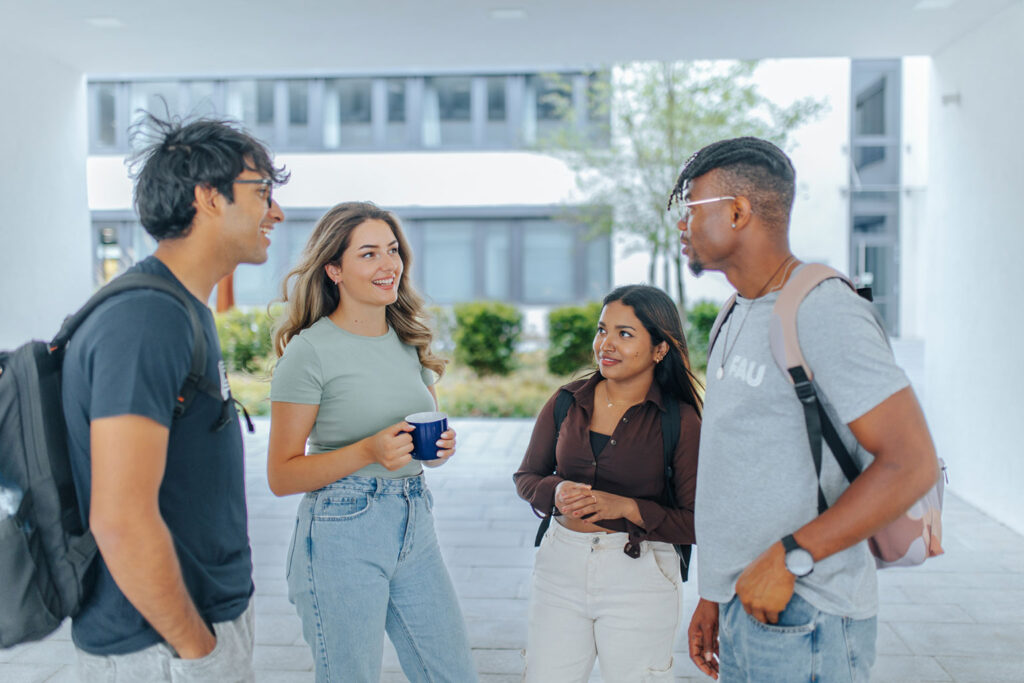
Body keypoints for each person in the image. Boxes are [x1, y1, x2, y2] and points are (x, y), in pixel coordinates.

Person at [671, 137, 938, 682]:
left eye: (690, 207)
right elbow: (737, 468)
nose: (681, 224)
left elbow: (911, 462)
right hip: (748, 604)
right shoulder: (734, 312)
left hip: (806, 610)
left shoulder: (822, 309)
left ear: (738, 212)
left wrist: (789, 557)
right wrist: (714, 592)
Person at [63, 113, 288, 680]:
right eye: (262, 192)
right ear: (209, 197)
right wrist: (197, 651)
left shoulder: (181, 309)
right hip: (161, 643)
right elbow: (120, 518)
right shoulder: (145, 320)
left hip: (195, 624)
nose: (276, 212)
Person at [267, 201, 477, 683]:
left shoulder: (407, 340)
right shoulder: (309, 352)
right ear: (334, 269)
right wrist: (367, 451)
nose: (389, 265)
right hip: (342, 530)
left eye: (392, 250)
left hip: (413, 520)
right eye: (368, 254)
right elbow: (281, 475)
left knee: (453, 673)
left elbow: (420, 427)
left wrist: (440, 450)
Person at [514, 284, 703, 682]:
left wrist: (627, 508)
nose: (606, 344)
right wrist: (556, 492)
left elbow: (696, 521)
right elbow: (527, 476)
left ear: (660, 349)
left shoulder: (681, 421)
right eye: (602, 330)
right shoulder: (567, 401)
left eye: (625, 334)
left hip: (640, 572)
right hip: (559, 566)